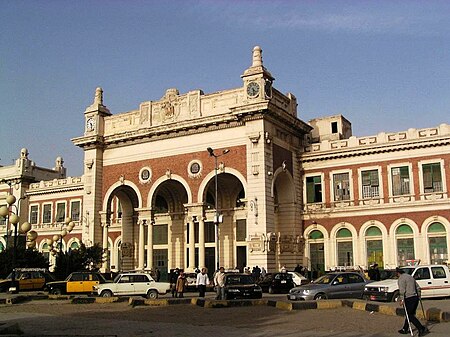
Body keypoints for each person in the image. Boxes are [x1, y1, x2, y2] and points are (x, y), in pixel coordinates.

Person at [396, 267, 429, 336]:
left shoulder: (401, 279)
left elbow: (402, 290)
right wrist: (419, 296)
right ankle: (405, 328)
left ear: (398, 273)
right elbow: (418, 287)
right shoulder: (411, 277)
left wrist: (402, 299)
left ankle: (421, 328)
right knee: (410, 314)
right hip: (415, 297)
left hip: (409, 298)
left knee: (409, 315)